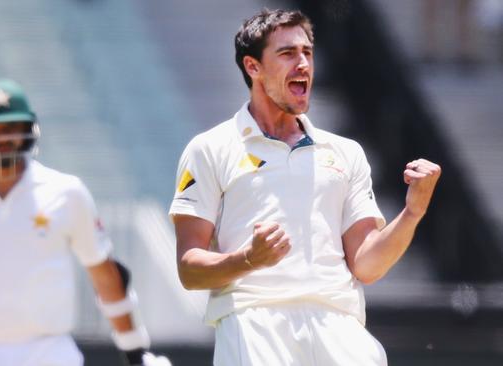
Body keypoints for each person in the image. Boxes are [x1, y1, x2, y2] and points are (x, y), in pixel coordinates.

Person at [169, 9, 441, 366]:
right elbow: (189, 269)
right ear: (253, 67)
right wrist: (249, 259)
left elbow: (367, 266)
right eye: (287, 54)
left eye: (307, 53)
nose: (303, 64)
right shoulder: (210, 149)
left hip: (339, 329)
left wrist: (413, 212)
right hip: (255, 325)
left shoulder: (346, 152)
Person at [0, 79, 171, 366]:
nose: (2, 139)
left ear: (29, 130)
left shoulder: (66, 192)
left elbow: (104, 275)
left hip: (49, 352)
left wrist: (135, 352)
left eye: (11, 127)